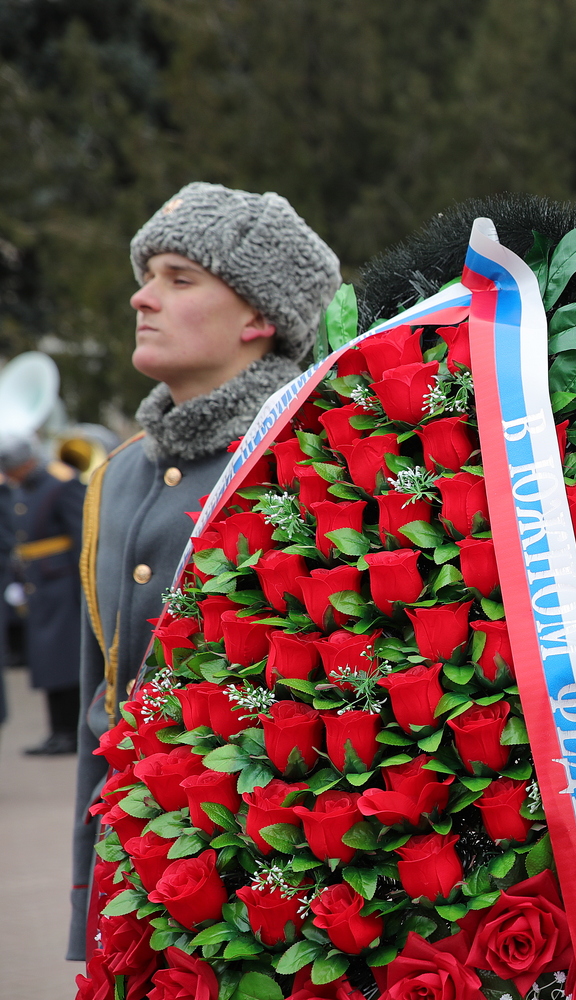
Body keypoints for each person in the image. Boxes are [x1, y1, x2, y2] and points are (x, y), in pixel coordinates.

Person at [69, 182, 340, 959]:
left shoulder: (304, 465)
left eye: (178, 278)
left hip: (265, 893)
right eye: (146, 273)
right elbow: (106, 713)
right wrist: (91, 921)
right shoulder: (116, 478)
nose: (141, 297)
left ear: (260, 318)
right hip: (136, 885)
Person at [0, 433, 86, 753]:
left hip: (63, 584)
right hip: (40, 584)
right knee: (48, 661)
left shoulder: (62, 483)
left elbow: (80, 537)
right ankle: (58, 730)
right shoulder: (24, 487)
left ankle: (71, 730)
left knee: (67, 660)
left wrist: (82, 588)